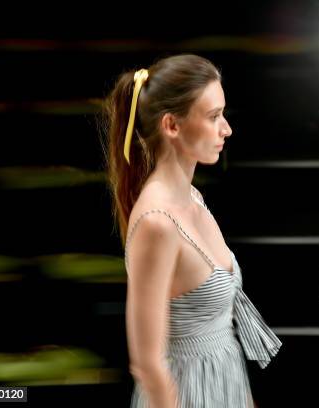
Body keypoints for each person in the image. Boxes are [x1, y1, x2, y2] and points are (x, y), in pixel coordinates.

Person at [100, 54, 282, 407]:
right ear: (172, 125)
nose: (226, 129)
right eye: (214, 117)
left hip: (224, 382)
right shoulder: (157, 224)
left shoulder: (193, 198)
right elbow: (148, 364)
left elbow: (222, 335)